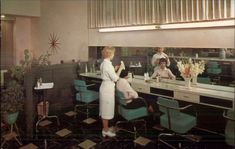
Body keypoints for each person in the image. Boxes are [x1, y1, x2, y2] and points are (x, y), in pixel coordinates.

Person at [99, 46, 124, 137]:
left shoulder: (105, 63)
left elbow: (109, 73)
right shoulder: (108, 65)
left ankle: (106, 128)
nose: (114, 55)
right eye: (113, 53)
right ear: (109, 54)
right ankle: (105, 130)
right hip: (107, 89)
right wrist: (120, 68)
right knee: (106, 110)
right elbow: (115, 78)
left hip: (105, 88)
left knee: (105, 109)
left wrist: (114, 69)